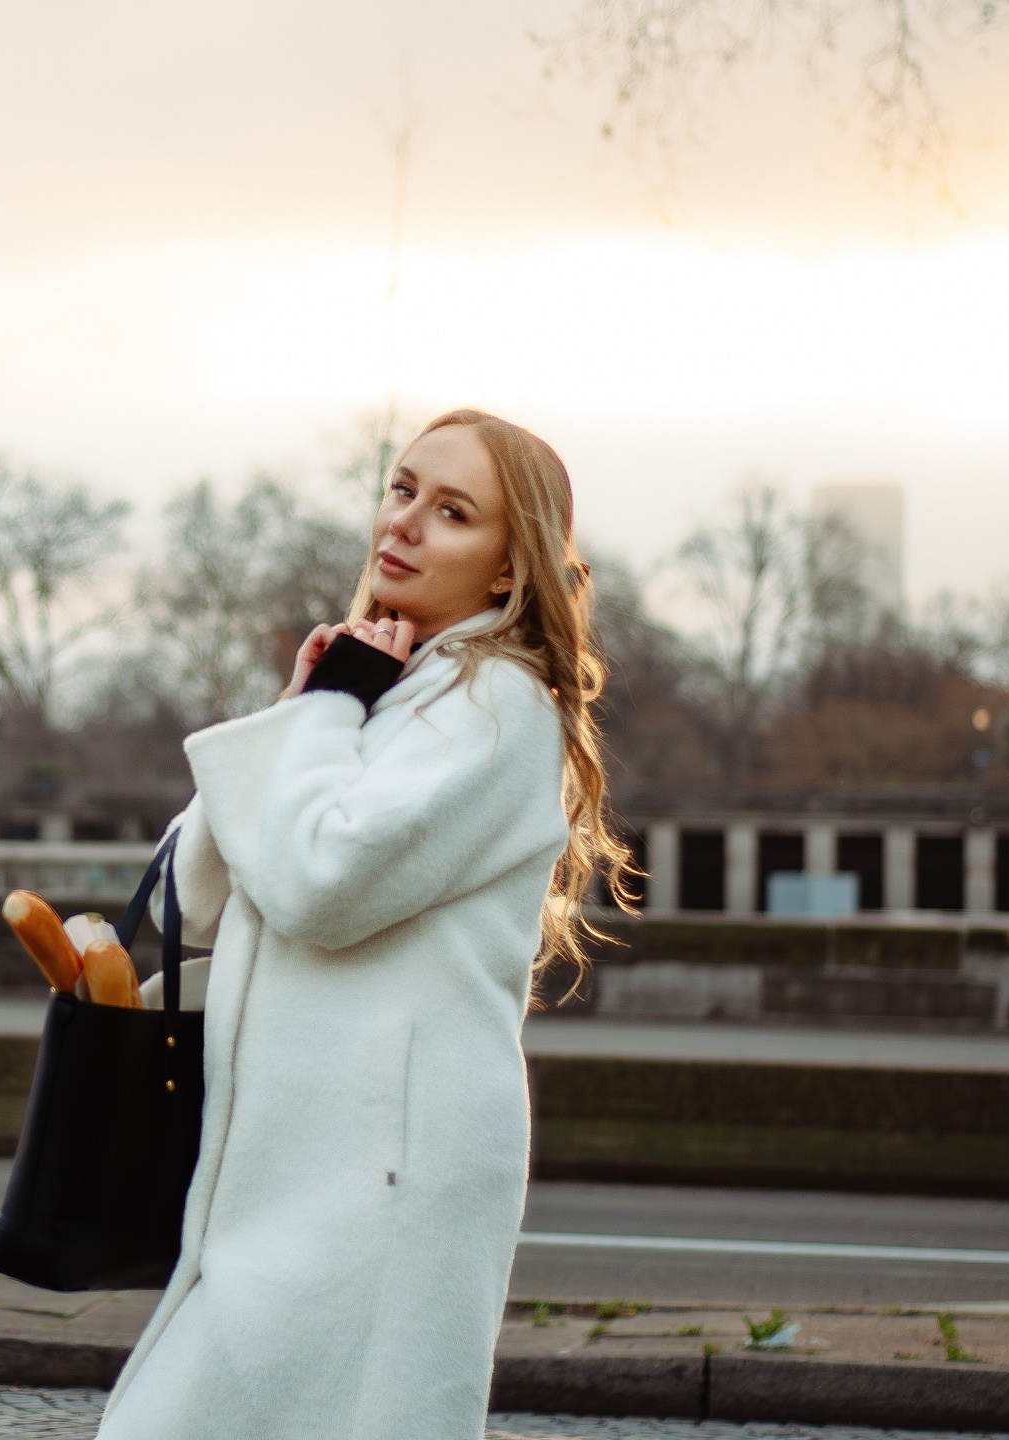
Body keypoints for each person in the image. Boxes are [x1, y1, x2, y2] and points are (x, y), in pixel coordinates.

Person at [96, 408, 632, 1440]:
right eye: (401, 489)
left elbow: (316, 887)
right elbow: (193, 892)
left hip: (385, 1171)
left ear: (507, 571)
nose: (406, 522)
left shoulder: (499, 707)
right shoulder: (386, 691)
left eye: (452, 510)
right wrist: (306, 703)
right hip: (299, 1163)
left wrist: (323, 720)